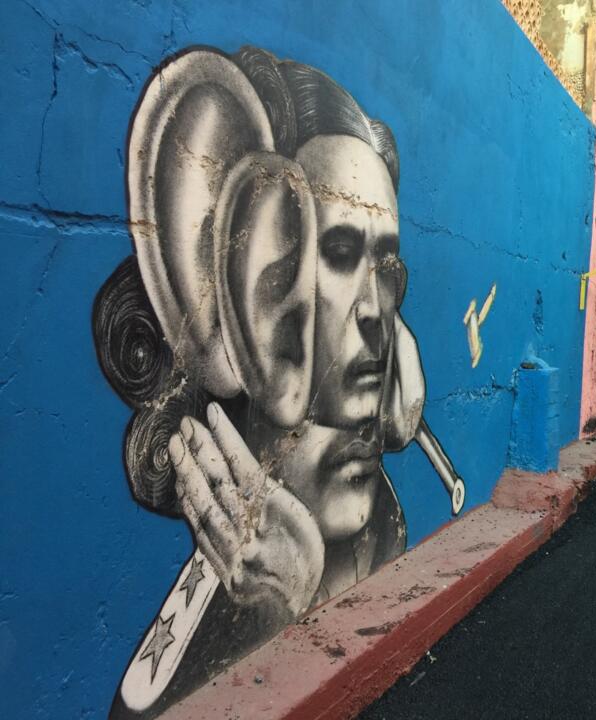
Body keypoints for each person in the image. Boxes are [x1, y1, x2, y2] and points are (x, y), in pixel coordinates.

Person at [95, 45, 433, 718]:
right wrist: (266, 619)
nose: (376, 312)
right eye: (338, 251)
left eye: (387, 267)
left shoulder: (381, 527)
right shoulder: (185, 646)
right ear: (231, 293)